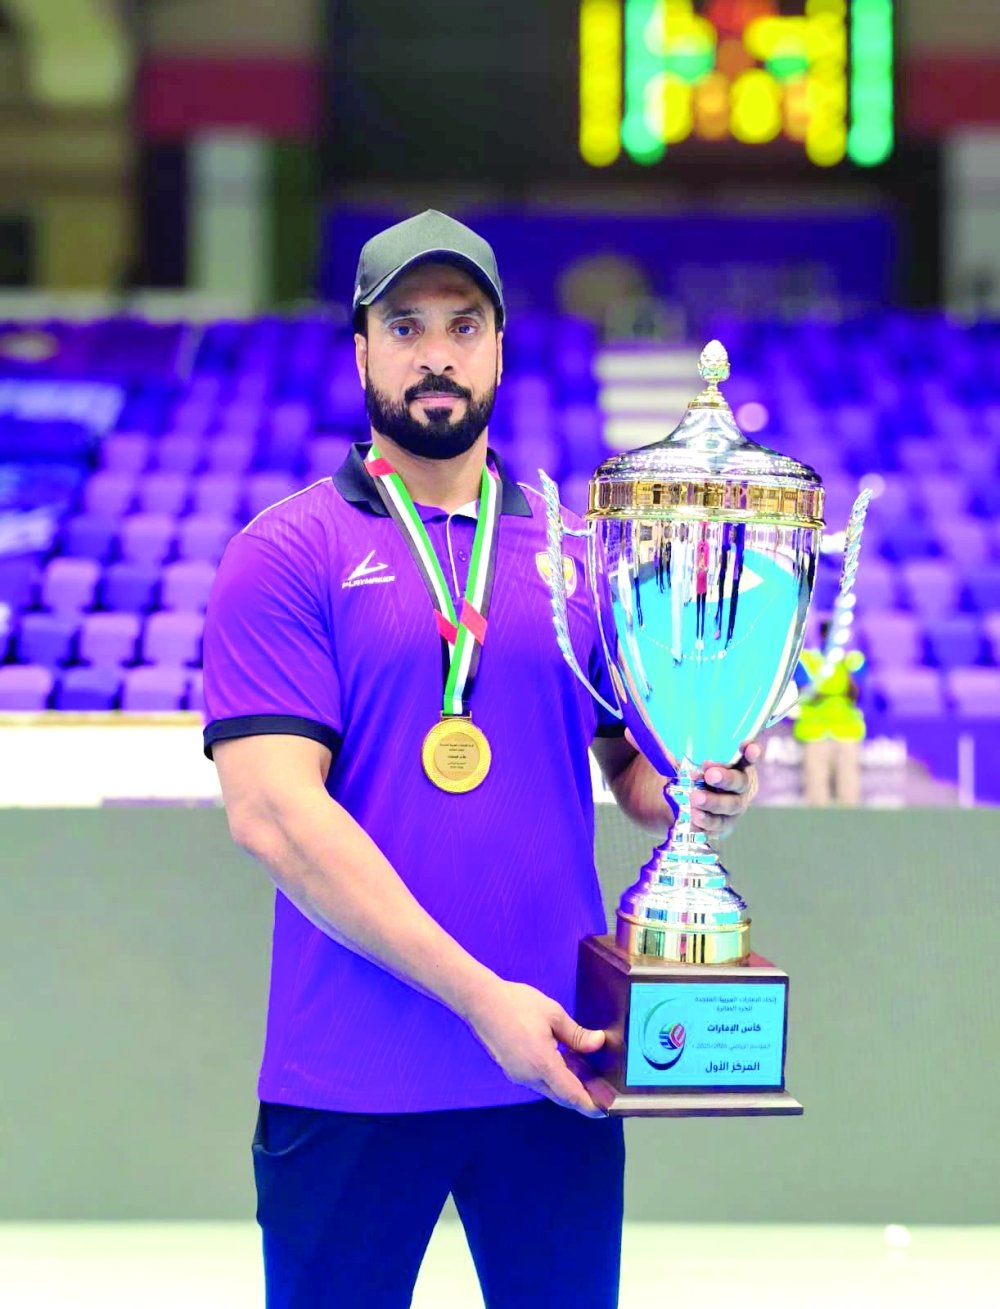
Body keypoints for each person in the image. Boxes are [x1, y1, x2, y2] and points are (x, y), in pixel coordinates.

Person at [202, 209, 761, 1309]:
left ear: (500, 347)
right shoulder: (286, 553)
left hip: (557, 1064)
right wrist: (480, 1000)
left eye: (464, 325)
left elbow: (637, 778)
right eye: (404, 326)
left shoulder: (575, 552)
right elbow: (275, 818)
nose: (436, 354)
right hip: (352, 1077)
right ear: (360, 350)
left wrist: (706, 772)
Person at [794, 618, 866, 807]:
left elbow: (857, 693)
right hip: (815, 731)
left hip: (846, 730)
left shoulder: (852, 660)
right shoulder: (809, 659)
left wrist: (844, 667)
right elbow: (804, 690)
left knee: (849, 790)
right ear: (823, 635)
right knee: (816, 790)